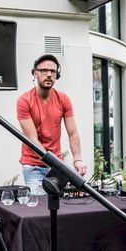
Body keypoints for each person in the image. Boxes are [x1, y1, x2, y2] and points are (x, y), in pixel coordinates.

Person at [16, 54, 88, 194]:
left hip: (56, 164)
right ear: (35, 73)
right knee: (41, 208)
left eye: (53, 71)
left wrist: (77, 159)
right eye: (44, 70)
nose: (49, 74)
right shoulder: (24, 101)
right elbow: (32, 140)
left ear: (57, 75)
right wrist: (55, 165)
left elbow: (73, 133)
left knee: (59, 208)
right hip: (33, 165)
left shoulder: (63, 99)